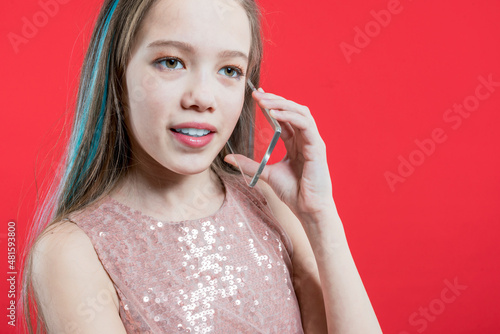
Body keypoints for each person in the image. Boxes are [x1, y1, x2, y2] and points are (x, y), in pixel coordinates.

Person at [19, 0, 383, 333]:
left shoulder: (268, 204)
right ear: (119, 73)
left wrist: (320, 218)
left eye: (229, 69)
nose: (203, 98)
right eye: (171, 62)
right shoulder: (71, 252)